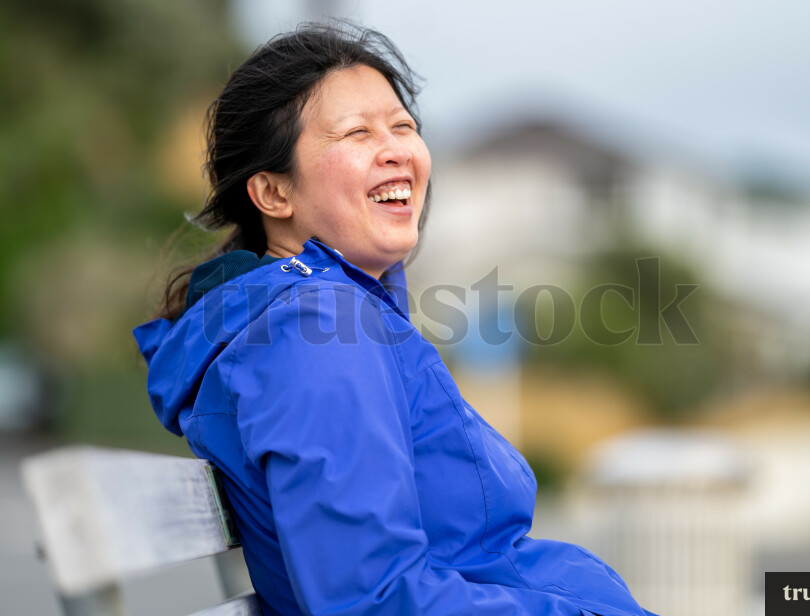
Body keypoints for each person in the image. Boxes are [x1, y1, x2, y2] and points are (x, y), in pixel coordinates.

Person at [134, 22, 656, 616]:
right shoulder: (314, 331)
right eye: (357, 133)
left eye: (403, 126)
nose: (397, 150)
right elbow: (372, 599)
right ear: (275, 194)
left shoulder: (333, 317)